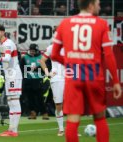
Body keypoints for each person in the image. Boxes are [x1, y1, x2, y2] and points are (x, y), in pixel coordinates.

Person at [51, 0, 122, 142]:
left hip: (74, 76)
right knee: (100, 117)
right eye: (98, 4)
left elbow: (54, 54)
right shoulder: (101, 24)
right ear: (90, 5)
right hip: (94, 76)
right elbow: (108, 55)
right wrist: (115, 81)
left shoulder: (65, 23)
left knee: (72, 119)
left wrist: (70, 63)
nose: (99, 6)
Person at [0, 25, 22, 137]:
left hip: (13, 75)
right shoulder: (2, 44)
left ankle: (14, 130)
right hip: (9, 75)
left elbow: (7, 59)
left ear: (3, 32)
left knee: (14, 101)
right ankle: (11, 129)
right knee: (11, 101)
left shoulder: (8, 44)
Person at [40, 44, 65, 136]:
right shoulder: (51, 48)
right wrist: (47, 74)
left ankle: (73, 128)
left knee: (73, 103)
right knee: (58, 104)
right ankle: (61, 128)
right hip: (57, 78)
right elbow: (42, 61)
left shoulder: (71, 45)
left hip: (70, 77)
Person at [20, 44, 49, 120]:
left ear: (37, 51)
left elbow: (46, 68)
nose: (32, 52)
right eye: (31, 50)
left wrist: (36, 69)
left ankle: (44, 113)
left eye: (34, 51)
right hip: (28, 80)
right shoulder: (25, 58)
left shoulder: (41, 58)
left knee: (40, 98)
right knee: (29, 98)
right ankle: (33, 113)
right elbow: (21, 69)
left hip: (38, 79)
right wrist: (29, 69)